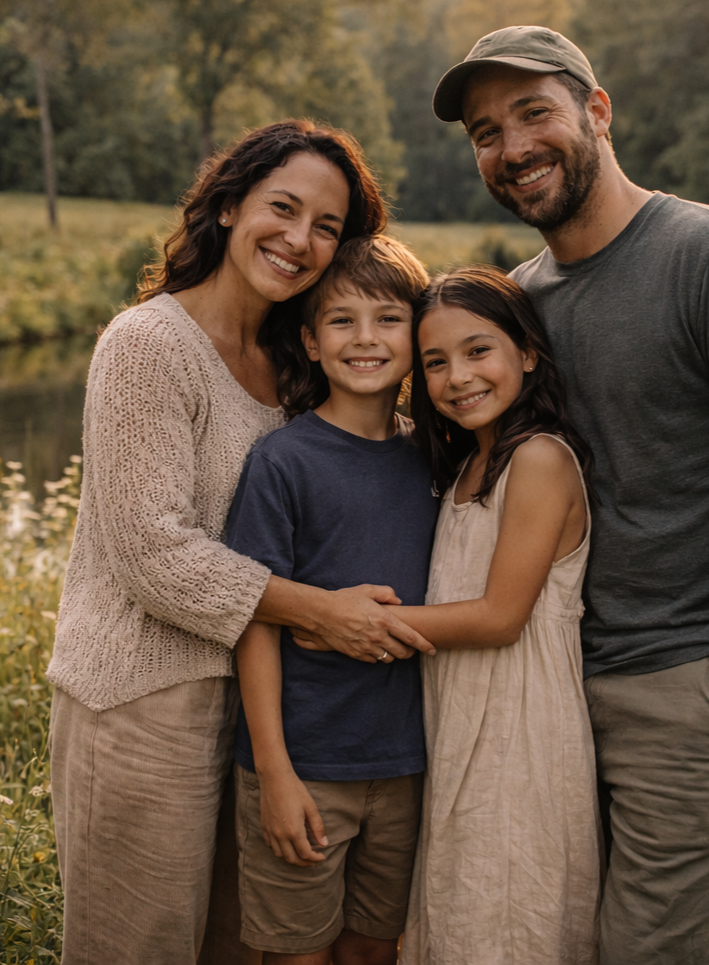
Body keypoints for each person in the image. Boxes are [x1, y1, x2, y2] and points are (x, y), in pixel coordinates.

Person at [431, 28, 709, 964]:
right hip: (562, 687)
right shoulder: (523, 303)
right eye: (487, 132)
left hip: (688, 682)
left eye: (535, 113)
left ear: (598, 111)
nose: (514, 147)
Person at [45, 121, 434, 965]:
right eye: (282, 209)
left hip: (268, 718)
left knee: (237, 948)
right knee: (139, 946)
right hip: (145, 703)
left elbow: (359, 457)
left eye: (326, 227)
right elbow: (153, 554)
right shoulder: (150, 346)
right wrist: (321, 614)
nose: (299, 240)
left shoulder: (294, 360)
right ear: (228, 205)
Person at [225, 235, 436, 965]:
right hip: (305, 765)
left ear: (418, 334)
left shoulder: (436, 461)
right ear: (311, 342)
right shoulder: (281, 462)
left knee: (376, 948)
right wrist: (275, 775)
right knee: (297, 953)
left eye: (388, 318)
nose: (367, 339)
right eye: (342, 321)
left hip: (408, 765)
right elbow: (253, 617)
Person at [393, 267, 601, 965]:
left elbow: (500, 617)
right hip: (460, 728)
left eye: (479, 350)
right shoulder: (462, 470)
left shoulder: (539, 459)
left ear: (528, 353)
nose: (458, 377)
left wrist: (358, 623)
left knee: (509, 915)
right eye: (435, 362)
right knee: (461, 910)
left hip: (520, 734)